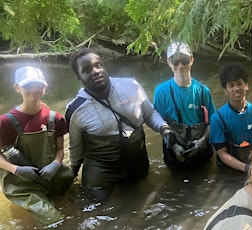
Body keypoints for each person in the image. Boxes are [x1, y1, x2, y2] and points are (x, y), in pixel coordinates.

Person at [66, 48, 171, 202]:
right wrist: (71, 178)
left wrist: (165, 130)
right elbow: (75, 149)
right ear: (79, 77)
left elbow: (150, 114)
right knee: (95, 208)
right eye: (87, 70)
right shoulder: (75, 109)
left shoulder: (131, 86)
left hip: (137, 162)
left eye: (98, 65)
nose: (95, 71)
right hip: (102, 171)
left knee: (143, 201)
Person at [0, 66, 74, 226]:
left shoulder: (56, 118)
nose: (33, 90)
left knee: (74, 208)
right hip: (22, 183)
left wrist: (55, 164)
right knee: (54, 221)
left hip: (53, 176)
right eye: (27, 86)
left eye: (38, 86)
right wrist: (17, 170)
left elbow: (60, 149)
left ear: (45, 88)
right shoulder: (5, 122)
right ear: (17, 88)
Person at [153, 41, 216, 167]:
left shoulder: (203, 91)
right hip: (174, 152)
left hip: (201, 151)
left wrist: (202, 141)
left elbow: (213, 123)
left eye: (184, 60)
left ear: (192, 60)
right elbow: (157, 122)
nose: (180, 65)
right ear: (169, 62)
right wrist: (174, 146)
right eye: (176, 61)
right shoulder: (161, 92)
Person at [209, 63, 252, 173]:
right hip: (229, 170)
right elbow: (222, 153)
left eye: (239, 84)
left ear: (246, 86)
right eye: (231, 85)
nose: (236, 89)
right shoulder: (217, 118)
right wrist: (246, 168)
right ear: (225, 90)